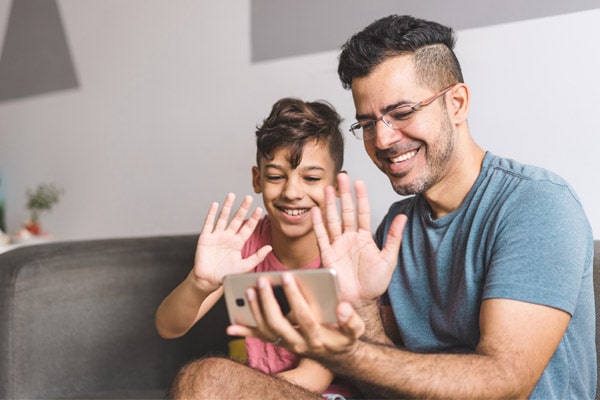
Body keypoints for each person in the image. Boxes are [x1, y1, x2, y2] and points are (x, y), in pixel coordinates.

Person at [171, 15, 596, 400]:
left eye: (402, 112)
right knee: (204, 381)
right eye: (368, 123)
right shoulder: (396, 225)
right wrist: (360, 308)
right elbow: (387, 375)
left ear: (457, 103)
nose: (384, 139)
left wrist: (343, 352)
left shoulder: (536, 204)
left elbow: (506, 382)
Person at [156, 97, 358, 399]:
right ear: (257, 179)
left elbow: (313, 378)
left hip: (319, 394)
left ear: (337, 186)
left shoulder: (345, 254)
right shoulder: (246, 243)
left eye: (311, 178)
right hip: (254, 390)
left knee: (207, 381)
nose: (292, 192)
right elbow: (168, 326)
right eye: (276, 177)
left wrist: (229, 390)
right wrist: (198, 284)